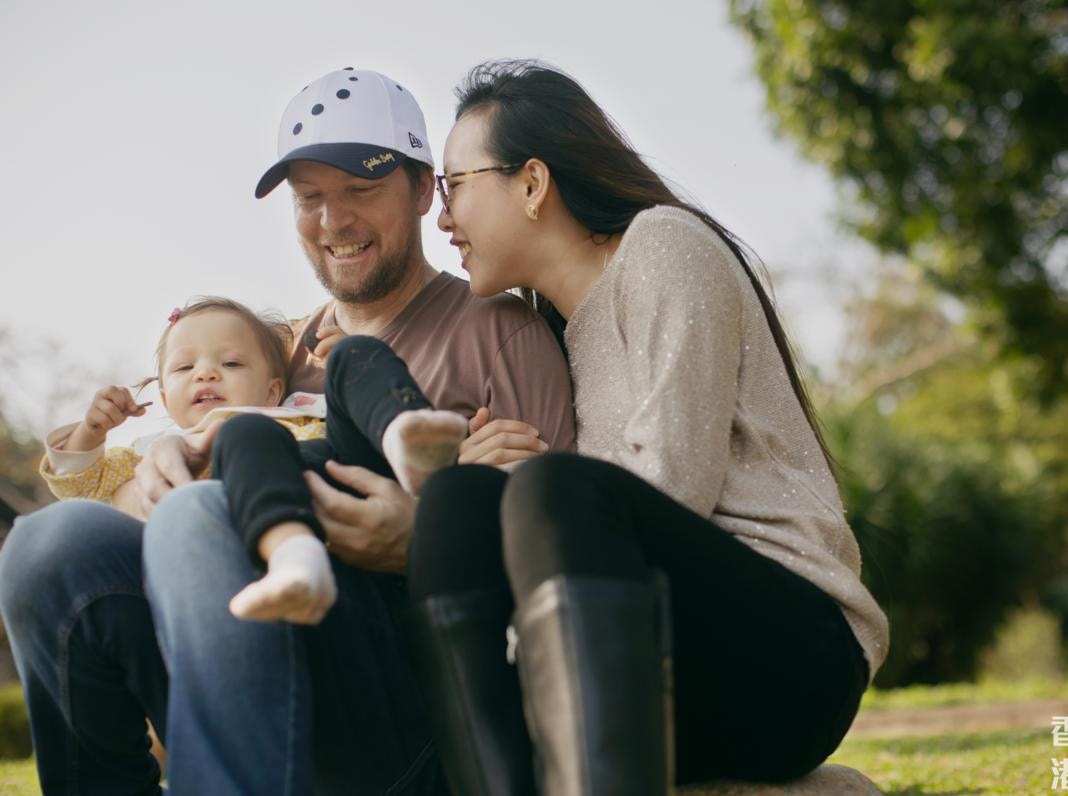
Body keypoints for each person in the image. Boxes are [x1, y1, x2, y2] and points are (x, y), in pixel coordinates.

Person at [0, 67, 575, 794]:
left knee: (201, 517)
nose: (333, 220)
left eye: (361, 191)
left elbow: (558, 555)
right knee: (48, 545)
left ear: (425, 190)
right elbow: (138, 476)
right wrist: (148, 481)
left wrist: (423, 534)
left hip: (404, 696)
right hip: (231, 659)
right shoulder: (264, 353)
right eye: (310, 198)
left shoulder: (500, 332)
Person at [404, 59, 890, 794]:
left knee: (551, 490)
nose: (441, 217)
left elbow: (673, 482)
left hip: (794, 656)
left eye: (454, 186)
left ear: (531, 184)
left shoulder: (662, 245)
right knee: (452, 503)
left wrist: (532, 496)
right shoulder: (555, 331)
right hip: (656, 662)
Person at [40, 295, 469, 624]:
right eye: (184, 367)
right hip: (217, 577)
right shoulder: (154, 448)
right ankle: (292, 559)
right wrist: (90, 432)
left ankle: (406, 430)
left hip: (338, 528)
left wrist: (343, 359)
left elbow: (350, 426)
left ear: (271, 390)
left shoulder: (299, 411)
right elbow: (86, 487)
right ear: (165, 399)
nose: (205, 373)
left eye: (230, 362)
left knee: (356, 357)